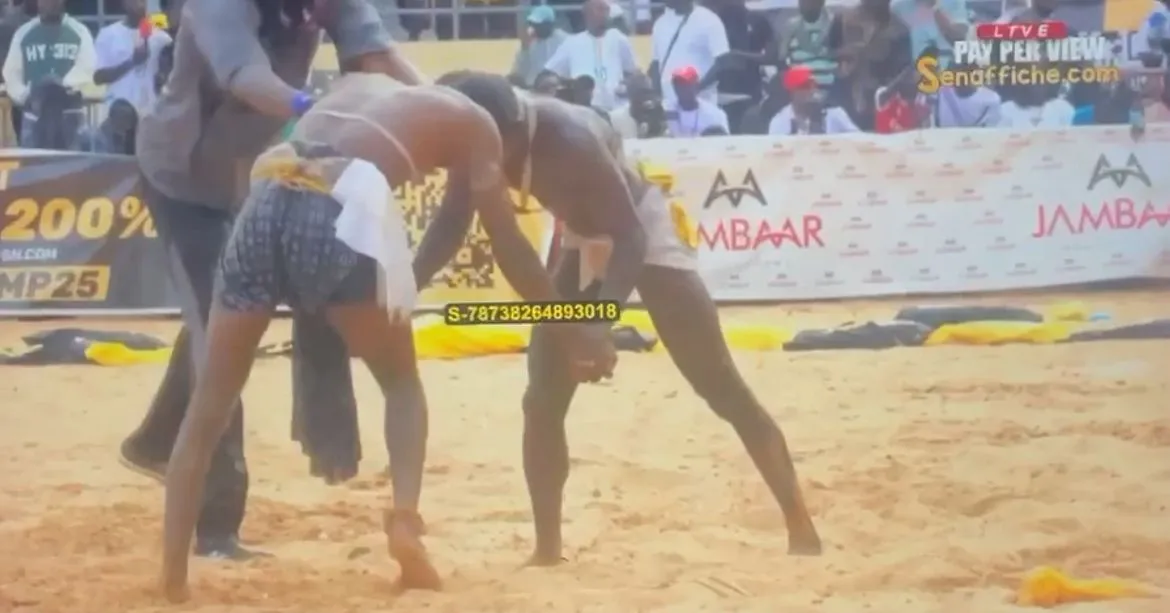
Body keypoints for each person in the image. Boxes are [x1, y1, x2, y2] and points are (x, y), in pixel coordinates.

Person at [159, 72, 617, 602]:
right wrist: (570, 331)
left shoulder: (364, 88)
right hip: (339, 203)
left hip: (265, 194)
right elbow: (509, 246)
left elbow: (450, 223)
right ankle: (403, 521)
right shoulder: (476, 125)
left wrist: (403, 287)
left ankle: (171, 576)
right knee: (401, 385)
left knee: (209, 406)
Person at [419, 70, 823, 567]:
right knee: (541, 398)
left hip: (637, 225)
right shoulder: (484, 136)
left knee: (719, 383)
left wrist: (598, 326)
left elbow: (629, 237)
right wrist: (402, 286)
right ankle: (548, 551)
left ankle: (800, 524)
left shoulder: (567, 138)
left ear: (506, 133)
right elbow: (450, 226)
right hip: (582, 234)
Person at [121, 0, 428, 562]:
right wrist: (317, 108)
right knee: (219, 340)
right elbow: (247, 79)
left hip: (244, 176)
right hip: (180, 182)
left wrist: (439, 102)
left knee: (218, 320)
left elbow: (379, 56)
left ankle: (155, 441)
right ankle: (216, 526)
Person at [1, 0, 95, 146]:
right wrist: (26, 96)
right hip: (35, 115)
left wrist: (60, 87)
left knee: (72, 159)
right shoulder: (23, 33)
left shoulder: (80, 31)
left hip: (70, 114)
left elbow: (87, 67)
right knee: (35, 160)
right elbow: (11, 73)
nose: (51, 3)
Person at [542, 0, 637, 111]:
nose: (605, 14)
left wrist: (624, 86)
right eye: (600, 9)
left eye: (606, 10)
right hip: (584, 111)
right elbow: (550, 73)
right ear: (587, 14)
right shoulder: (572, 43)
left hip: (616, 110)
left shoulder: (618, 39)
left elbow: (632, 72)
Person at [93, 0, 172, 114]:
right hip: (118, 113)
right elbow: (98, 77)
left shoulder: (162, 38)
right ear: (124, 3)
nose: (139, 3)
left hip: (151, 112)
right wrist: (131, 62)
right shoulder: (108, 34)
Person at [707, 0, 774, 133]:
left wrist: (739, 55)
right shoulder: (711, 21)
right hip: (715, 95)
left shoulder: (757, 20)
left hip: (748, 95)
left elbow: (771, 56)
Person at [649, 0, 729, 108]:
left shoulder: (709, 20)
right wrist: (656, 94)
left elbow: (723, 62)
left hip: (702, 104)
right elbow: (656, 62)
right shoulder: (660, 24)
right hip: (669, 105)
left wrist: (696, 88)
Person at [769, 64, 858, 134]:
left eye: (813, 85)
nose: (811, 90)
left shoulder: (833, 114)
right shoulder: (780, 121)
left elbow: (859, 141)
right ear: (792, 92)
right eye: (805, 86)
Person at [508, 5, 567, 89]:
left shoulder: (564, 40)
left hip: (558, 86)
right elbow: (519, 72)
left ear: (549, 24)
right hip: (533, 87)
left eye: (538, 25)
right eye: (532, 24)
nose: (534, 28)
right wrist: (525, 49)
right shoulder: (530, 43)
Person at [666, 65, 730, 137]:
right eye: (677, 84)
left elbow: (725, 142)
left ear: (696, 86)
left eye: (685, 84)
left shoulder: (715, 115)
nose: (681, 88)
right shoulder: (666, 113)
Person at [608, 72, 667, 138]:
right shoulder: (616, 119)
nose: (646, 97)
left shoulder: (658, 113)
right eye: (642, 93)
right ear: (630, 95)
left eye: (648, 93)